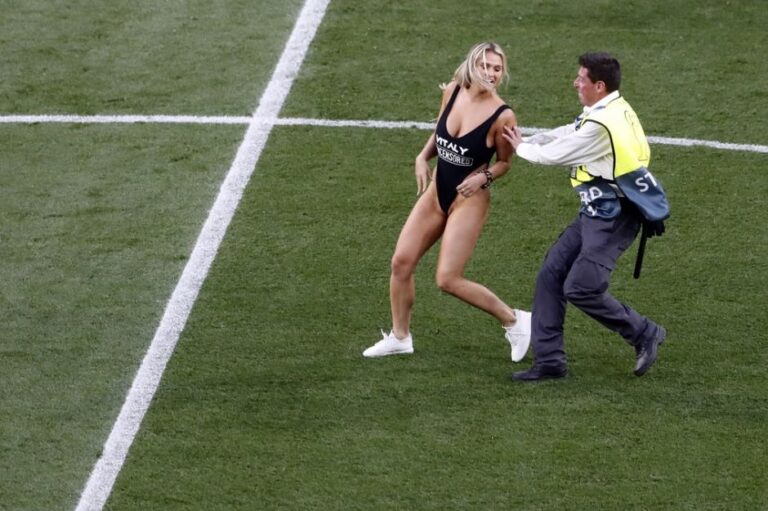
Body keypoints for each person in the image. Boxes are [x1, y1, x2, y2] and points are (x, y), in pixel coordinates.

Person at [502, 52, 670, 381]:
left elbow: (557, 155)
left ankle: (644, 332)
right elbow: (573, 130)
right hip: (597, 209)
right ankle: (549, 361)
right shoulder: (611, 109)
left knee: (581, 287)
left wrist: (521, 148)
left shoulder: (601, 126)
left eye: (581, 79)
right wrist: (533, 138)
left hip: (613, 217)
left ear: (599, 85)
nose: (575, 83)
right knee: (551, 274)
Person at [363, 41, 531, 361]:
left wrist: (485, 177)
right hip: (437, 190)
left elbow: (505, 162)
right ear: (472, 65)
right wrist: (422, 156)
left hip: (469, 199)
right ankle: (400, 337)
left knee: (447, 279)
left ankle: (514, 320)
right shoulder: (453, 91)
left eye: (497, 69)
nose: (491, 73)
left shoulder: (503, 115)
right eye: (485, 66)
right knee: (401, 263)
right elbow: (440, 132)